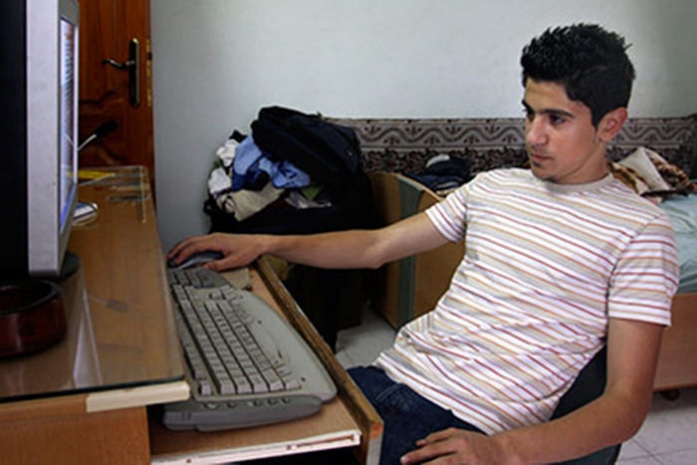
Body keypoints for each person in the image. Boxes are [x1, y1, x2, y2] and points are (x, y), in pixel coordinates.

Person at [168, 24, 679, 464]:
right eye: (529, 113)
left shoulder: (640, 231)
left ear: (611, 123)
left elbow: (626, 405)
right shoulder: (494, 187)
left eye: (556, 119)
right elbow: (374, 246)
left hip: (466, 429)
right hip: (383, 381)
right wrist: (264, 242)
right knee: (205, 435)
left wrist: (502, 452)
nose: (533, 136)